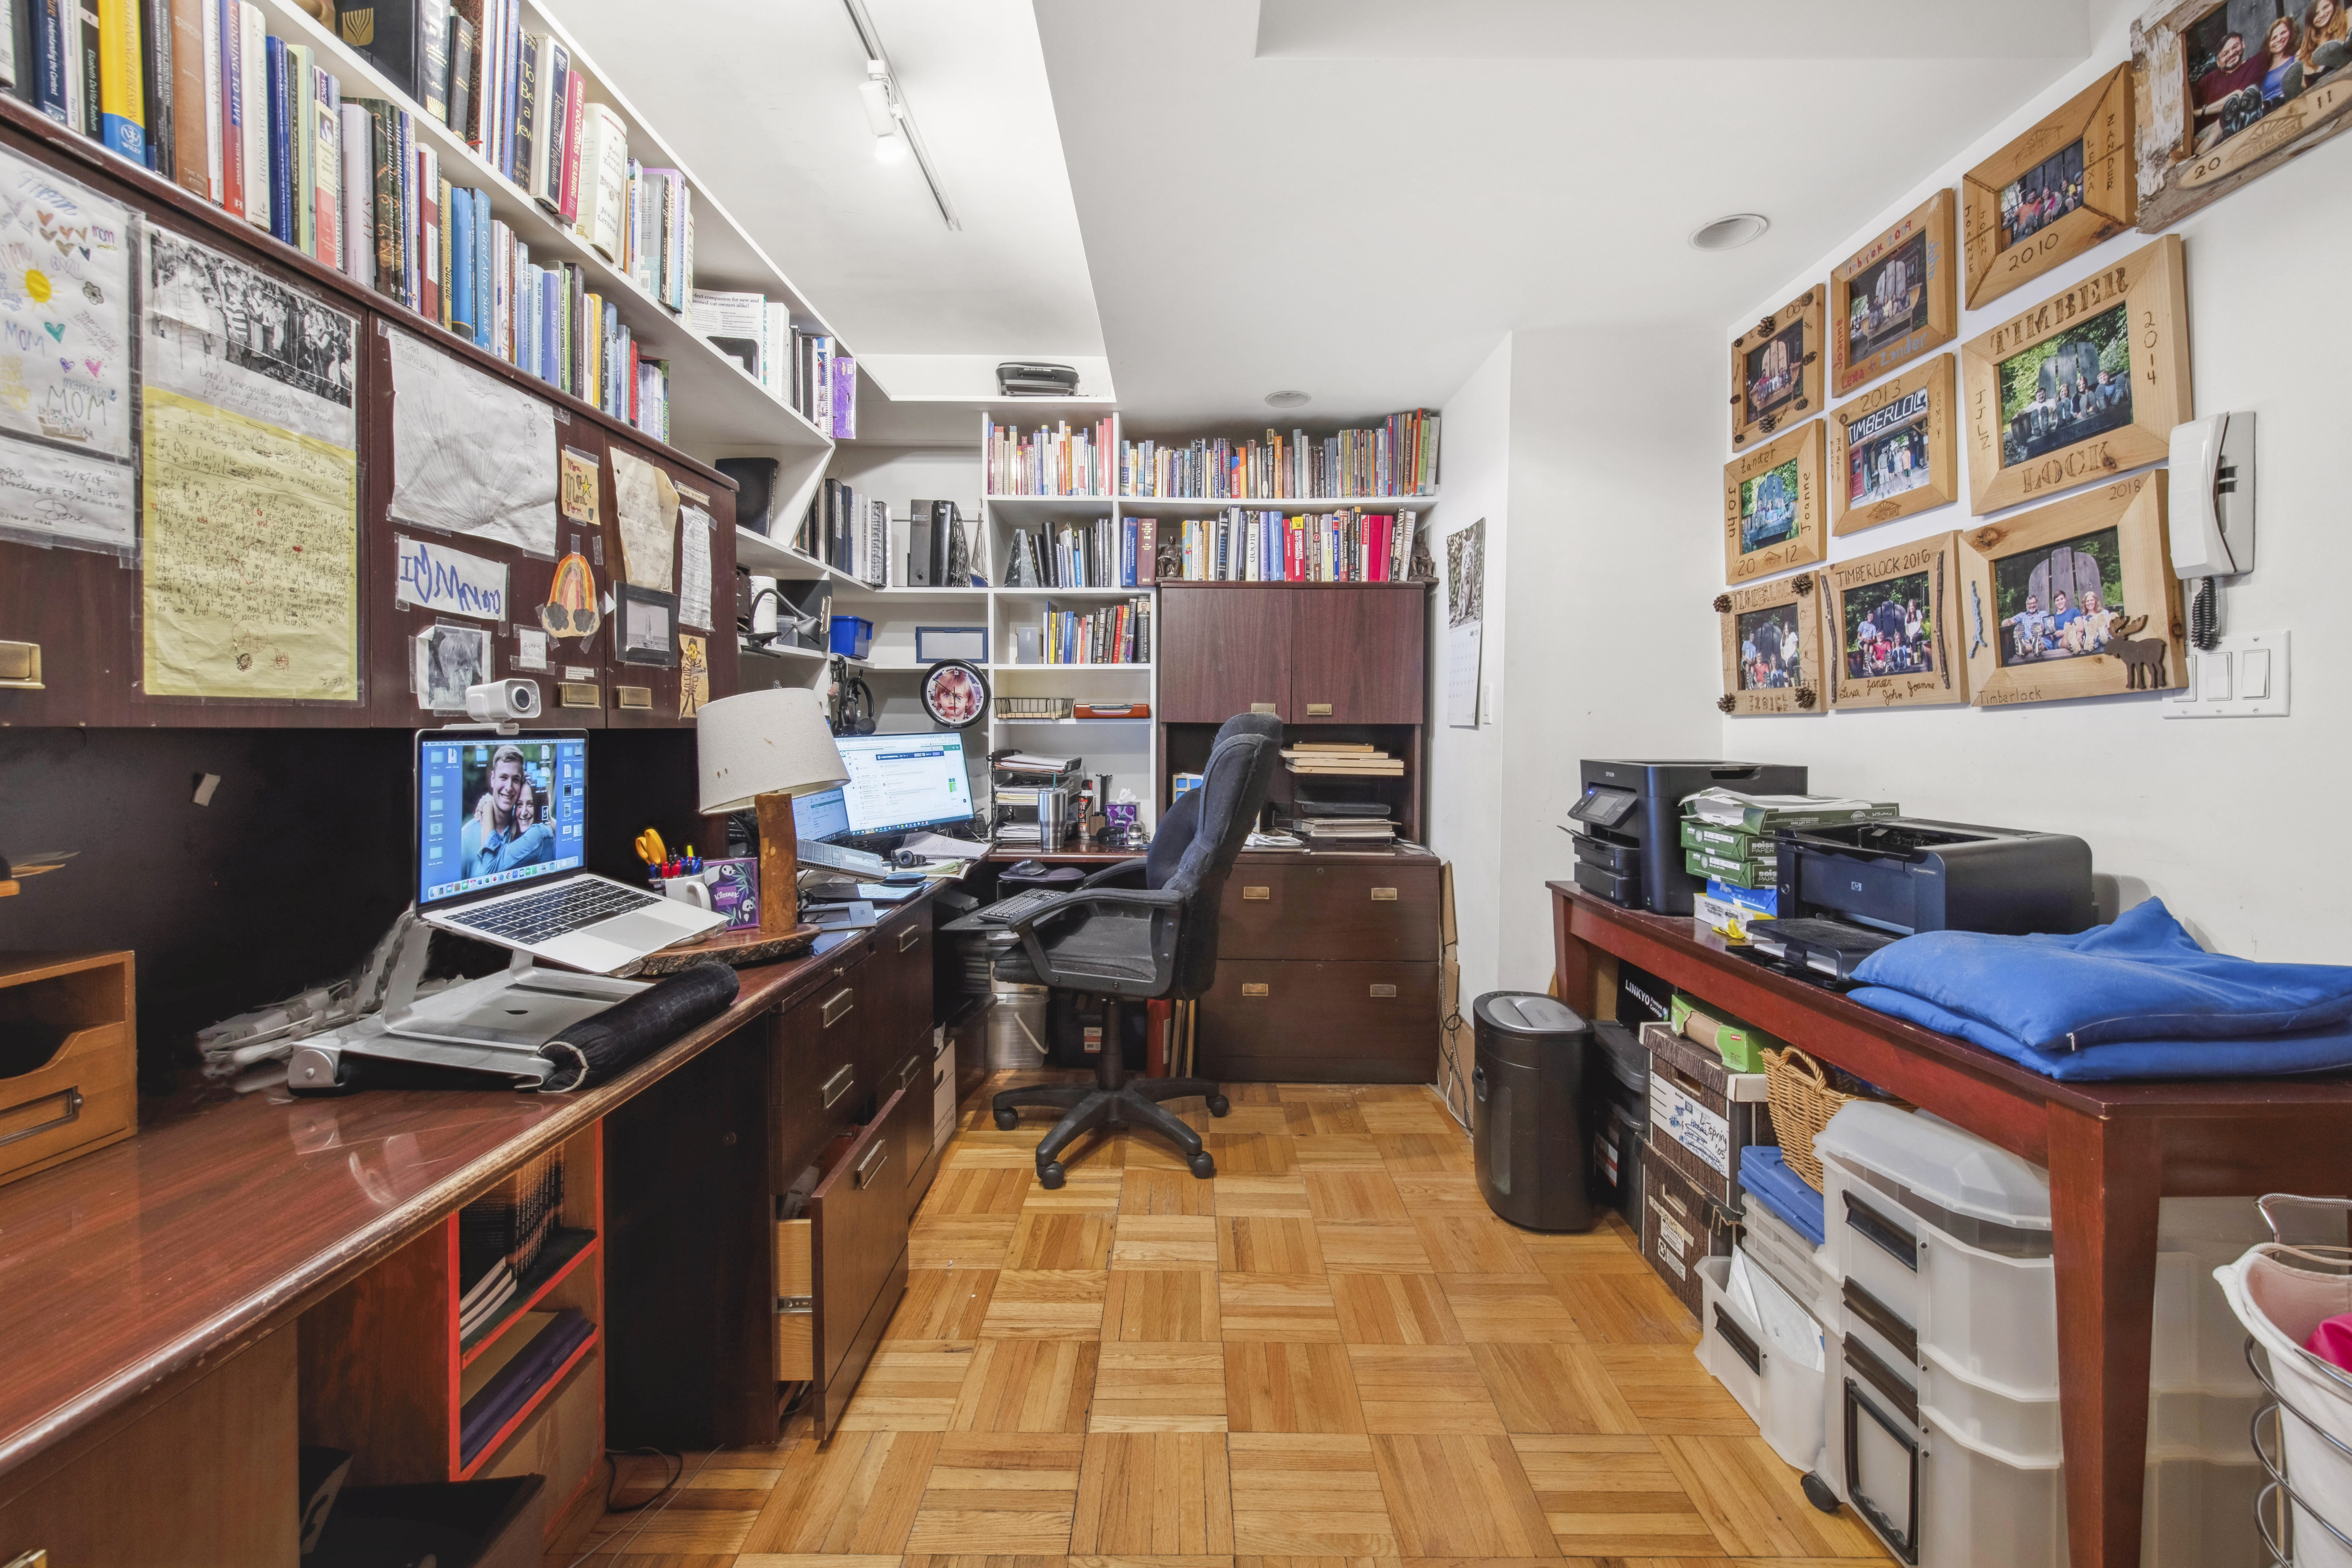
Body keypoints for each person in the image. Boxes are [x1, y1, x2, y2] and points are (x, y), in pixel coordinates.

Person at [461, 745, 555, 879]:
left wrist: (488, 805)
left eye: (516, 780)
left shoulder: (529, 830)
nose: (509, 788)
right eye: (503, 778)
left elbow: (491, 869)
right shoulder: (466, 837)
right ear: (493, 779)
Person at [2263, 16, 2306, 103]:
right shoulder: (2263, 69)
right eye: (2274, 38)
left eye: (2283, 33)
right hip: (2267, 107)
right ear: (2268, 44)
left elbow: (2305, 85)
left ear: (2291, 35)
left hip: (2290, 103)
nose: (2279, 39)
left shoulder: (2296, 57)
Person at [2306, 0, 2351, 76]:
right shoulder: (2306, 51)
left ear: (2334, 5)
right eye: (2316, 14)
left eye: (2326, 7)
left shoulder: (2348, 17)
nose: (2322, 15)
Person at [2005, 593, 2051, 661]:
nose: (2032, 606)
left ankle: (2037, 646)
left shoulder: (2043, 614)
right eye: (2030, 604)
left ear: (2037, 604)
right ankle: (2022, 649)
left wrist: (2045, 627)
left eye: (2034, 603)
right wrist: (2007, 621)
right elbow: (2011, 621)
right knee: (2027, 646)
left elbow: (2048, 625)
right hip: (2028, 642)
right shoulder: (2022, 616)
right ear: (2027, 605)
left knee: (2041, 643)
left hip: (2041, 640)